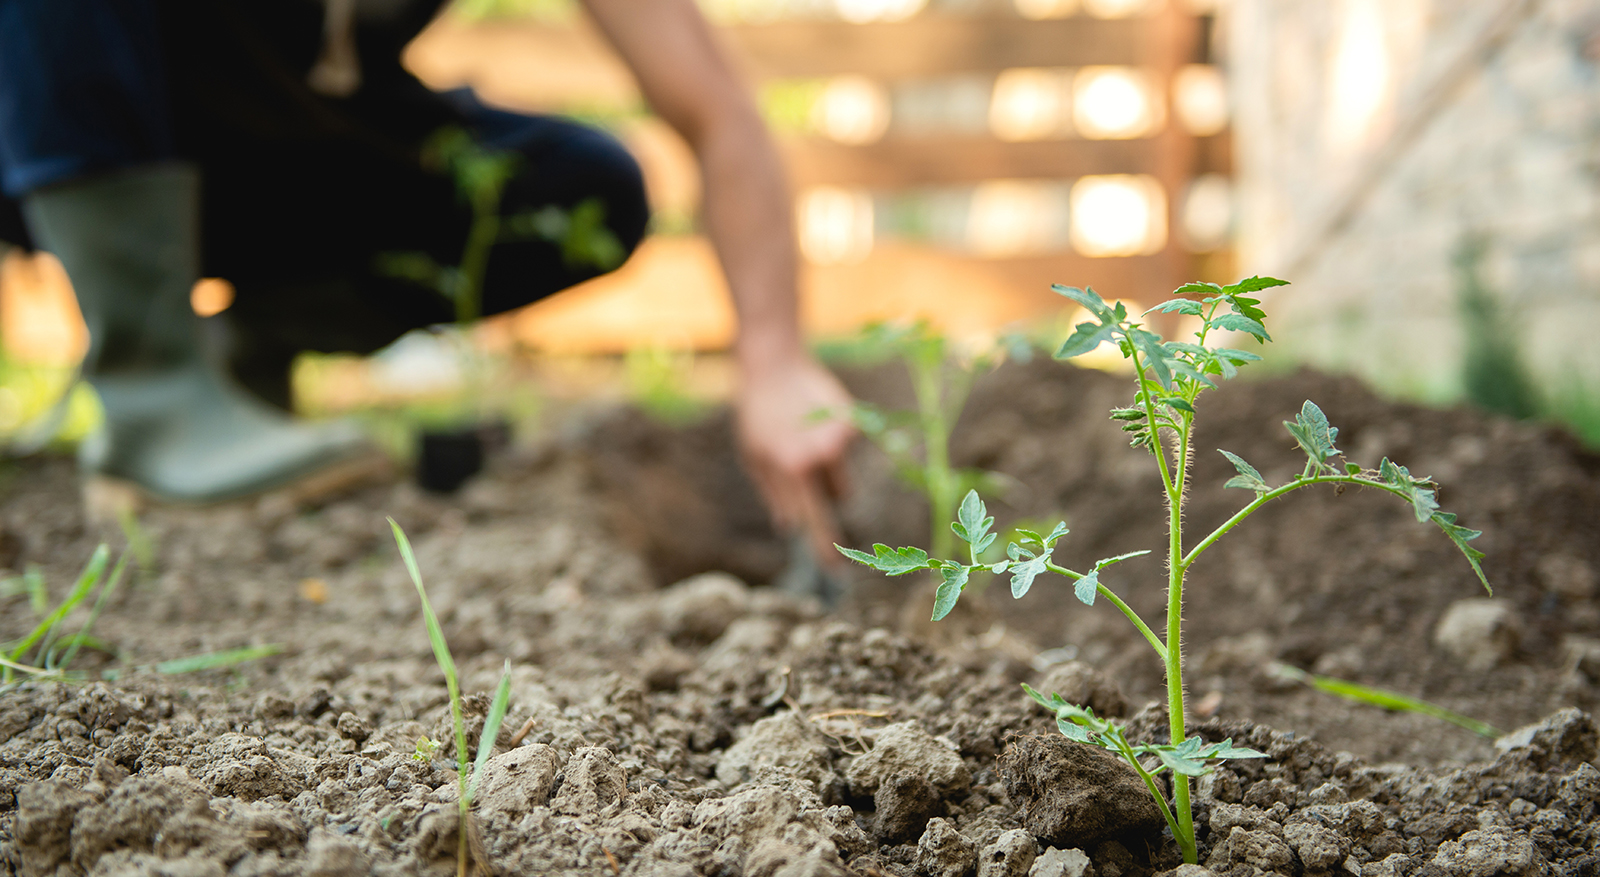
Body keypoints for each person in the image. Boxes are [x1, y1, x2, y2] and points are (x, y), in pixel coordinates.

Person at [0, 0, 854, 556]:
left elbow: (721, 115)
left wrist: (775, 359)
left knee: (584, 189)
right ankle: (154, 390)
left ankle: (237, 361)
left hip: (271, 143)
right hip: (47, 129)